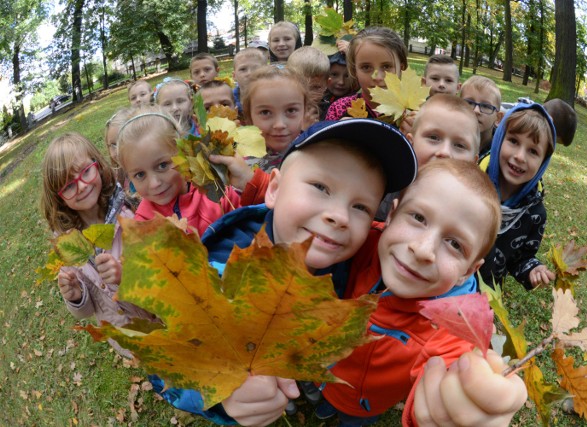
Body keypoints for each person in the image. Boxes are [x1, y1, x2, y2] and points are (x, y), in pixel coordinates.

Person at [150, 118, 418, 425]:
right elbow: (170, 369)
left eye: (361, 207)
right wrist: (222, 394)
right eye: (321, 187)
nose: (340, 216)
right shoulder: (217, 280)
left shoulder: (348, 256)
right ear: (274, 189)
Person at [315, 158, 506, 426]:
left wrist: (456, 402)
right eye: (418, 217)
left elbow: (448, 378)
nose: (423, 250)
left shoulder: (453, 329)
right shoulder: (363, 241)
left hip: (364, 405)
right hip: (321, 370)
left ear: (469, 270)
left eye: (454, 244)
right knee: (323, 397)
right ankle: (324, 398)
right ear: (391, 215)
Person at [40, 133, 156, 358]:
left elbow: (162, 271)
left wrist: (127, 275)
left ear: (98, 165)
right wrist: (75, 296)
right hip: (129, 338)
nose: (82, 186)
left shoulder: (130, 212)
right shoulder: (68, 245)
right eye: (69, 186)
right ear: (59, 197)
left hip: (162, 316)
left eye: (86, 172)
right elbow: (87, 311)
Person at [116, 106, 240, 237]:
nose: (154, 184)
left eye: (162, 165)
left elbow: (252, 218)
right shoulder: (143, 227)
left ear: (183, 152)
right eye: (140, 174)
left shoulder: (216, 190)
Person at [478, 102, 557, 290]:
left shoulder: (535, 214)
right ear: (499, 139)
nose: (520, 156)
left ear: (543, 162)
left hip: (485, 293)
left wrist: (532, 269)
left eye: (533, 151)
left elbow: (521, 258)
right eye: (513, 141)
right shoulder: (471, 179)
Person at [375, 94, 481, 221]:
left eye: (459, 145)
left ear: (474, 164)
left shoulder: (471, 217)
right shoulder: (382, 196)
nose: (445, 152)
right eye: (433, 137)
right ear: (410, 143)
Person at [325, 26, 408, 121]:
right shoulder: (339, 109)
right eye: (366, 67)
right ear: (354, 71)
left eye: (386, 67)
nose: (378, 77)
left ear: (401, 69)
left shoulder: (412, 114)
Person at [240, 65, 310, 172]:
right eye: (265, 112)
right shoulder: (240, 163)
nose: (279, 124)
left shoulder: (316, 153)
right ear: (249, 116)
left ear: (305, 111)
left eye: (291, 110)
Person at [459, 75, 504, 156]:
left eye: (485, 106)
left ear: (498, 118)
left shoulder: (501, 153)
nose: (476, 111)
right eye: (469, 102)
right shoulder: (446, 142)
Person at [287, 46, 331, 127]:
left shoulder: (331, 111)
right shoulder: (283, 110)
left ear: (327, 84)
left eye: (315, 87)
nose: (307, 94)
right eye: (301, 86)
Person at [319, 51, 357, 120]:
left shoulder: (356, 103)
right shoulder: (316, 99)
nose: (341, 82)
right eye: (334, 74)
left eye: (347, 76)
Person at [232, 47, 268, 117]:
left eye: (256, 69)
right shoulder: (229, 100)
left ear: (266, 72)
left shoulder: (273, 97)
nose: (250, 73)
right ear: (234, 76)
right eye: (243, 69)